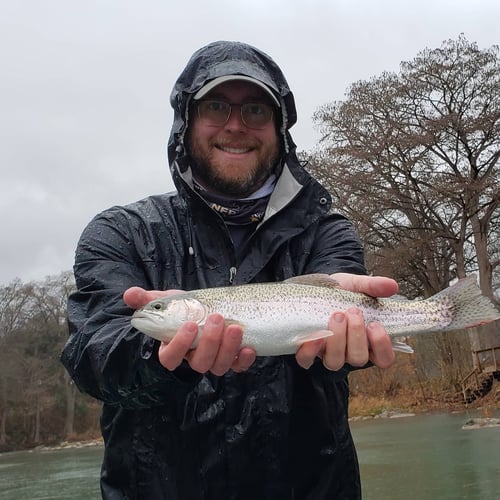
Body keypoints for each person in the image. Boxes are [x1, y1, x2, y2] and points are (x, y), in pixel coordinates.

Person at [61, 40, 397, 499]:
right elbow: (91, 355)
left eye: (256, 110)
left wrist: (346, 338)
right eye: (217, 106)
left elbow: (335, 347)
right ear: (186, 123)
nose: (236, 125)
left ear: (280, 129)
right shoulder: (121, 232)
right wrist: (156, 357)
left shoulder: (328, 233)